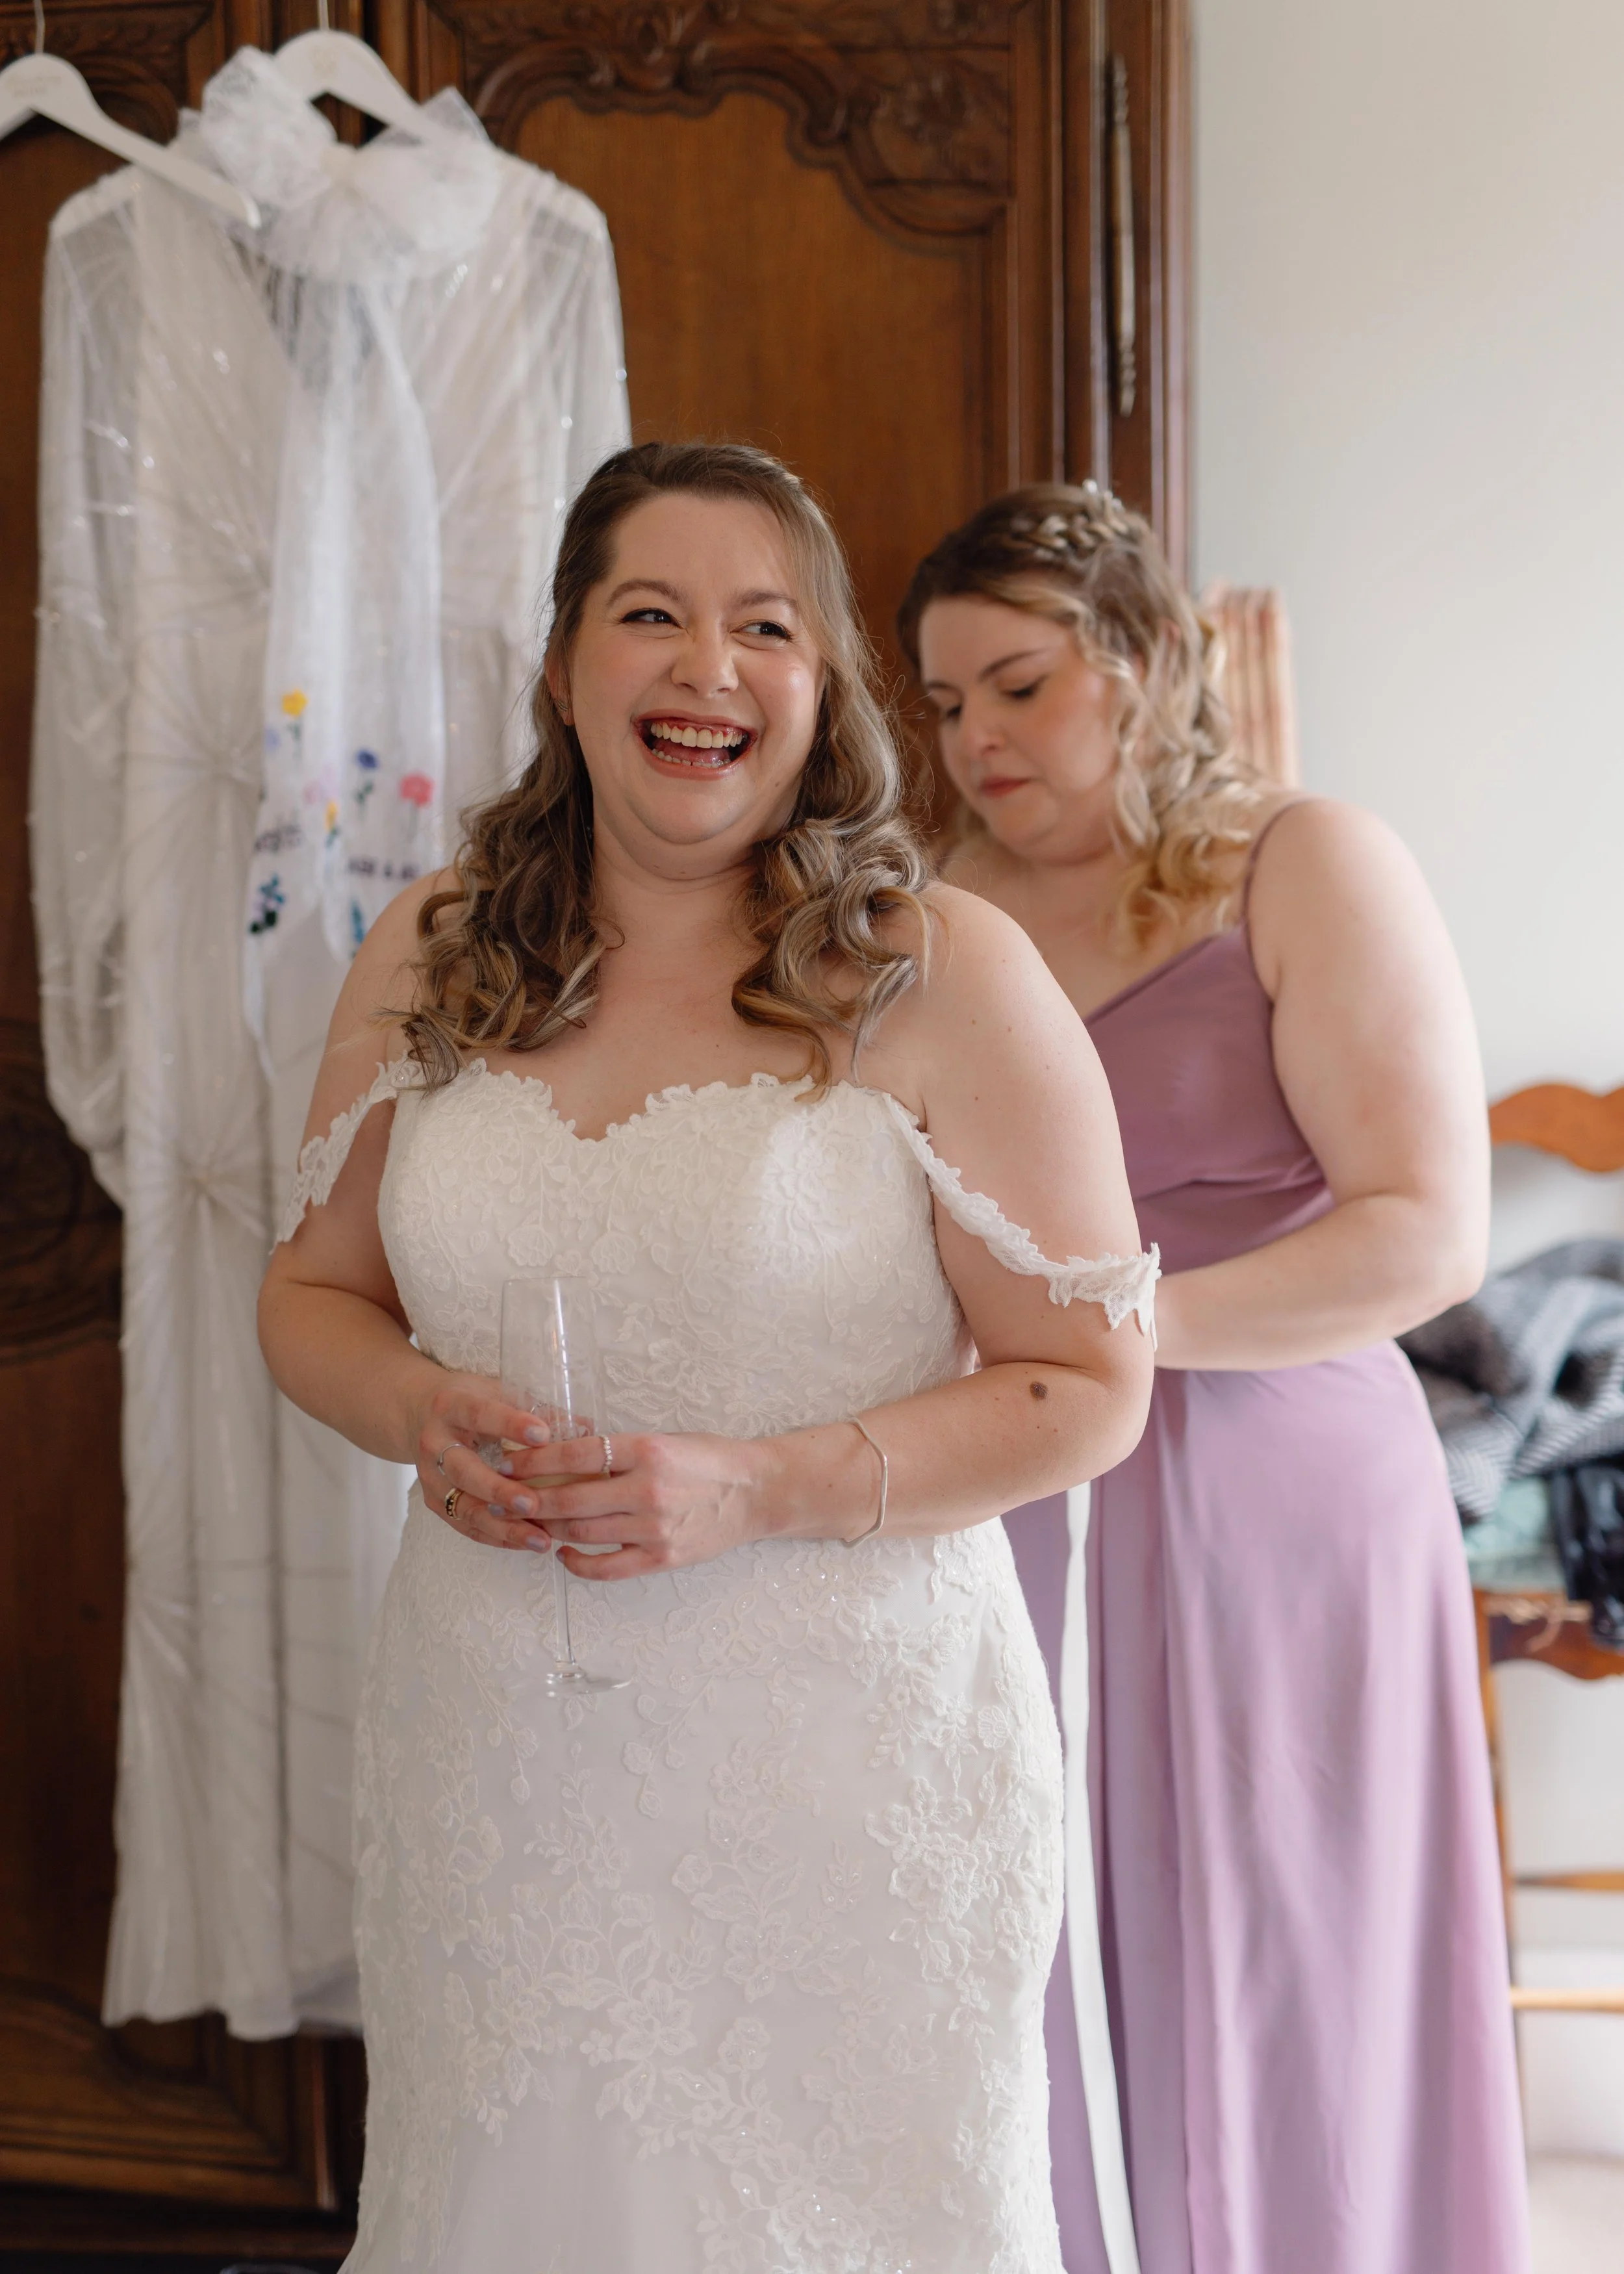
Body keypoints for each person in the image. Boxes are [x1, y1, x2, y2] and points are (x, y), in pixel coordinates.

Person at [259, 442, 1157, 2273]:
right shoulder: (435, 949)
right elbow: (313, 1296)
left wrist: (756, 1482)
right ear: (567, 662)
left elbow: (1087, 1384)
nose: (704, 667)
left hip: (841, 1766)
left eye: (763, 626)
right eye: (648, 614)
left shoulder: (940, 966)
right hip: (500, 1745)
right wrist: (420, 1408)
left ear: (817, 689)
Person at [898, 483, 1530, 2274]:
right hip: (1021, 1482)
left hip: (1278, 1484)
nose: (976, 739)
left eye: (1016, 684)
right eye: (945, 703)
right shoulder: (942, 912)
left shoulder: (1300, 861)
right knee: (1044, 1929)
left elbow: (1425, 1229)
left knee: (1282, 1935)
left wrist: (1116, 1324)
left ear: (1147, 656)